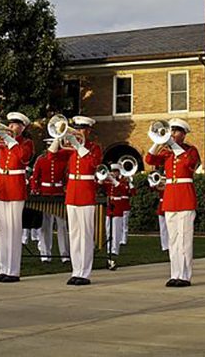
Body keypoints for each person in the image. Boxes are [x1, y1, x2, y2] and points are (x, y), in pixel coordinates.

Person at [0, 111, 34, 282]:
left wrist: (9, 140)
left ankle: (13, 271)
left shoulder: (26, 143)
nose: (10, 127)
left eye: (14, 124)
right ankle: (3, 268)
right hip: (2, 185)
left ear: (22, 127)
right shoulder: (3, 143)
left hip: (15, 185)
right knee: (3, 229)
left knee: (14, 229)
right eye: (9, 124)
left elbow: (23, 158)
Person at [145, 117, 199, 287]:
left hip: (185, 197)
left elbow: (189, 163)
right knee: (173, 239)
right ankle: (175, 273)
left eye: (176, 131)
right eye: (171, 131)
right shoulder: (166, 151)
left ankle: (184, 275)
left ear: (183, 134)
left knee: (184, 238)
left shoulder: (190, 150)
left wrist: (172, 145)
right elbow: (149, 159)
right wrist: (157, 141)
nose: (172, 134)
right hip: (170, 198)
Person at [51, 115, 103, 286]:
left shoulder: (94, 148)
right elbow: (51, 156)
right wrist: (59, 137)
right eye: (76, 128)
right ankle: (75, 270)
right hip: (72, 192)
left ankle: (85, 272)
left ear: (88, 130)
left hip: (86, 193)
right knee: (74, 234)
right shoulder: (70, 148)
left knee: (86, 235)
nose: (78, 131)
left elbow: (92, 164)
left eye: (81, 129)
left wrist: (78, 144)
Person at [29, 147, 70, 263]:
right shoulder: (41, 160)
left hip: (59, 194)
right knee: (45, 226)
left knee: (62, 226)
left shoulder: (63, 161)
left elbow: (66, 177)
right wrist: (35, 189)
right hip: (45, 194)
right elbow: (35, 177)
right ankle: (45, 254)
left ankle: (64, 255)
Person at [103, 163, 133, 262]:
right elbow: (100, 186)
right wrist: (103, 177)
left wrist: (114, 181)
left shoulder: (122, 181)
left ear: (118, 172)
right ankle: (108, 248)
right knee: (108, 229)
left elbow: (125, 190)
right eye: (112, 171)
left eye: (116, 171)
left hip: (118, 206)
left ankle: (115, 250)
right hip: (109, 206)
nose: (114, 173)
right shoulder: (108, 181)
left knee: (116, 230)